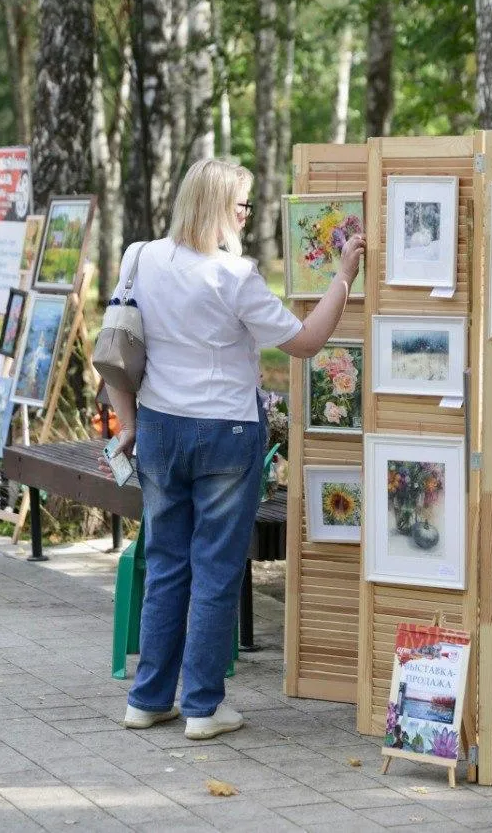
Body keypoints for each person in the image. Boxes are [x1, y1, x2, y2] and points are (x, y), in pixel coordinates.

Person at [103, 158, 364, 739]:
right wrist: (343, 277)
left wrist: (128, 423)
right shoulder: (234, 276)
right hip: (225, 431)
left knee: (167, 565)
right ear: (219, 208)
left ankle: (146, 699)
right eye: (242, 205)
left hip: (160, 428)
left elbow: (114, 347)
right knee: (216, 570)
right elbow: (306, 342)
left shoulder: (139, 257)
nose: (246, 215)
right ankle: (202, 707)